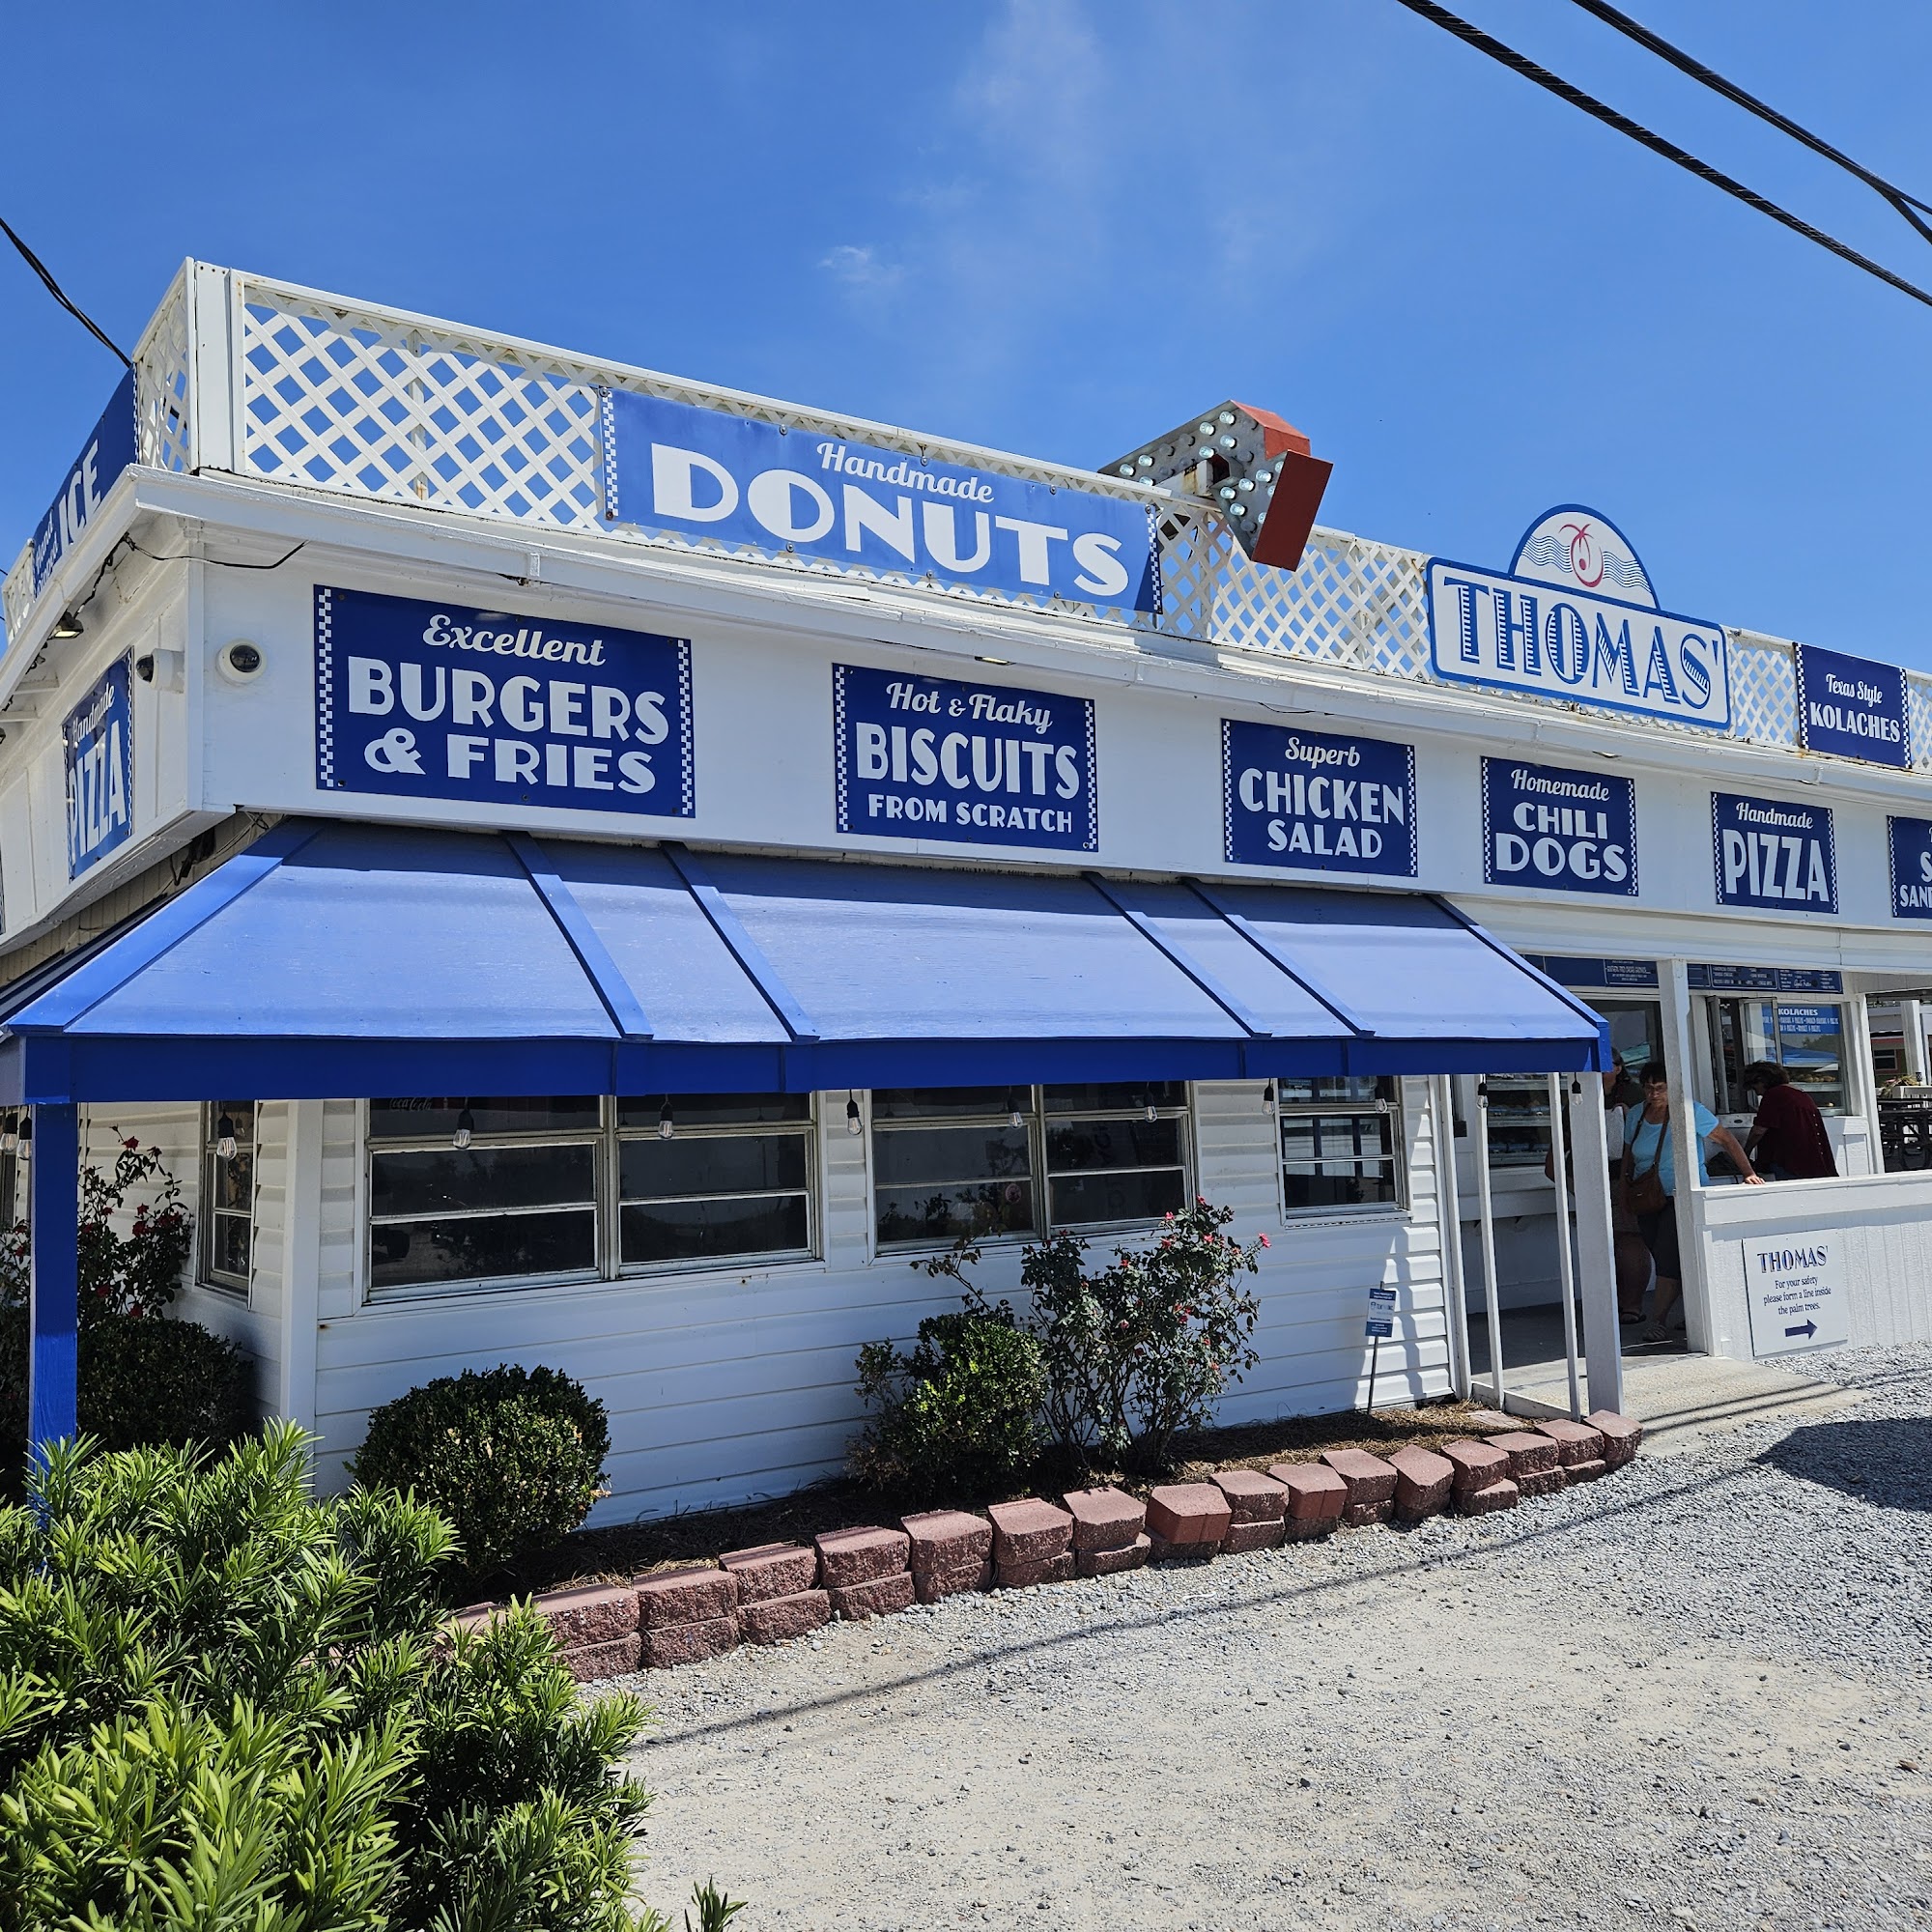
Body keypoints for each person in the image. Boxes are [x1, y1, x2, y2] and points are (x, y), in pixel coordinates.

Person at [1622, 1061, 1762, 1343]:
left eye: (1660, 1088)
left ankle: (1658, 1320)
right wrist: (1623, 1190)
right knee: (1667, 1256)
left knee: (1667, 1256)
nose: (1653, 1094)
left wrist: (1749, 1173)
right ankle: (1696, 1310)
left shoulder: (1690, 1111)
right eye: (1648, 1088)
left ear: (1672, 1087)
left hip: (1681, 1194)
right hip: (1646, 1196)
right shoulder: (1636, 1114)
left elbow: (1726, 1140)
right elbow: (1628, 1155)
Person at [1545, 1052, 1651, 1321]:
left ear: (1618, 1068)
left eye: (1606, 1066)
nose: (1600, 1072)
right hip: (1591, 1176)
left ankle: (1630, 1306)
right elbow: (1565, 1136)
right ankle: (1613, 1304)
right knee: (1607, 1241)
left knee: (1627, 1239)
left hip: (1622, 1177)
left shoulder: (1633, 1095)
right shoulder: (1580, 1094)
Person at [1742, 1061, 1838, 1180]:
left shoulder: (1774, 1095)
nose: (1756, 1092)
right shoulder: (1800, 1094)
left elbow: (1758, 1131)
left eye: (1754, 1086)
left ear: (1762, 1080)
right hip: (1813, 1159)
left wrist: (1744, 1155)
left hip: (1790, 1161)